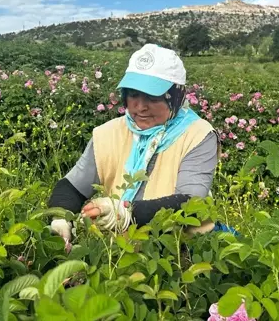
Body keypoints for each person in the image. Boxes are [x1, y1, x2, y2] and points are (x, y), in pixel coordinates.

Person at [48, 44, 231, 241]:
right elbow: (73, 186)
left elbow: (191, 202)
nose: (141, 107)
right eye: (133, 95)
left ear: (176, 97)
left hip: (178, 249)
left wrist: (127, 213)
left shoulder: (198, 135)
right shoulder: (107, 133)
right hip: (119, 252)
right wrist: (61, 216)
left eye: (152, 97)